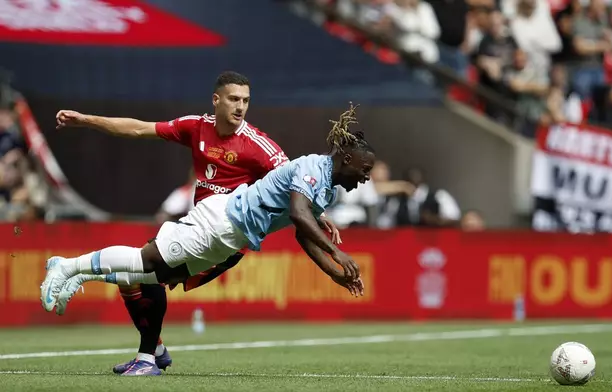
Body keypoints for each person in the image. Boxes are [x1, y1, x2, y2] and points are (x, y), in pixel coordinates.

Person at [41, 103, 372, 375]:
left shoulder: (325, 190)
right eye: (365, 168)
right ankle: (66, 266)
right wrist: (338, 254)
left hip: (230, 236)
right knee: (148, 261)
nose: (366, 175)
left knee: (158, 276)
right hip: (223, 220)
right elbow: (300, 215)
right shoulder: (313, 168)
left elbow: (302, 232)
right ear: (347, 159)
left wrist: (334, 274)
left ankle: (90, 281)